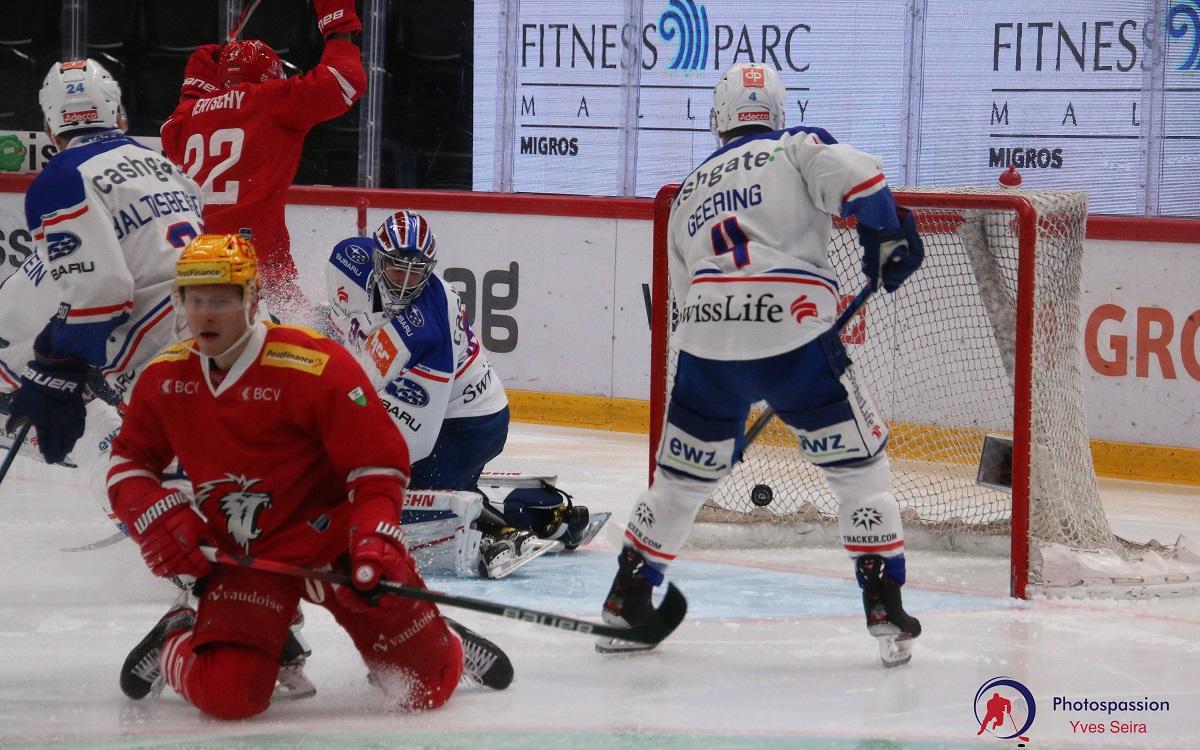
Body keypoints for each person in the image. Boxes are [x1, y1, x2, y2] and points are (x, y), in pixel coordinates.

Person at [596, 62, 925, 667]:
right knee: (859, 468)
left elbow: (682, 292)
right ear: (775, 112)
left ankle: (626, 599)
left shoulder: (687, 192)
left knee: (681, 480)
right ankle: (883, 601)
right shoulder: (795, 145)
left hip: (707, 347)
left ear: (718, 119)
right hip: (794, 331)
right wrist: (886, 236)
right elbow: (863, 178)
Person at [107, 234, 512, 718]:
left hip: (340, 546)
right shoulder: (165, 379)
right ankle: (175, 639)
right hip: (249, 556)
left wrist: (375, 531)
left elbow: (377, 463)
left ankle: (443, 641)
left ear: (251, 300)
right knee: (228, 696)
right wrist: (157, 516)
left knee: (424, 688)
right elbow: (129, 463)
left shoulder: (316, 365)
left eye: (221, 300)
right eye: (195, 300)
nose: (206, 315)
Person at [325, 211, 600, 579]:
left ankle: (505, 528)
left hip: (467, 425)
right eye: (397, 270)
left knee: (390, 500)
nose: (405, 285)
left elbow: (411, 445)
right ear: (377, 259)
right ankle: (540, 510)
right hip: (453, 412)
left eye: (416, 274)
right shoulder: (346, 259)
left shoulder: (427, 334)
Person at [1, 58, 205, 465]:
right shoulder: (166, 166)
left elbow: (102, 290)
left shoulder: (62, 177)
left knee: (137, 475)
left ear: (50, 128)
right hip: (226, 320)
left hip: (160, 349)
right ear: (119, 115)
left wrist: (60, 366)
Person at [160, 0, 366, 320]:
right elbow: (345, 80)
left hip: (195, 257)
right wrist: (338, 27)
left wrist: (194, 87)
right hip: (252, 261)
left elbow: (170, 136)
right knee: (292, 335)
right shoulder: (270, 100)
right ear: (269, 76)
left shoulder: (189, 115)